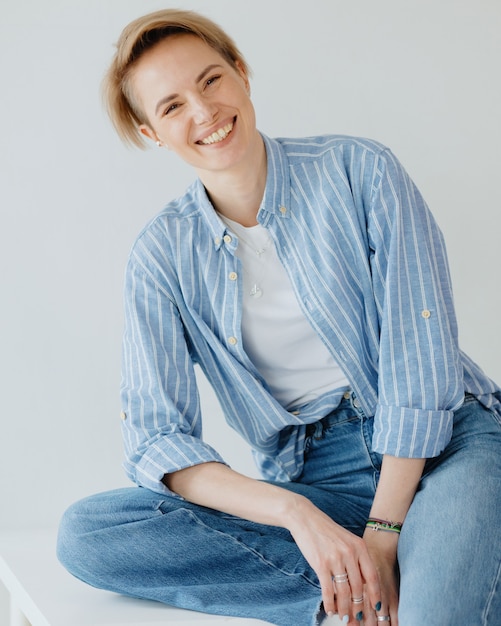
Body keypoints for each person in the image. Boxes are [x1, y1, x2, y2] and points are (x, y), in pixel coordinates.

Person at [57, 8, 501, 626]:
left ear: (241, 72)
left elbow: (419, 361)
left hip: (447, 446)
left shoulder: (360, 170)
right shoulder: (161, 254)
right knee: (90, 533)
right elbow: (159, 441)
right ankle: (362, 589)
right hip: (320, 478)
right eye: (172, 106)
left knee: (434, 616)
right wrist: (299, 516)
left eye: (211, 80)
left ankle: (416, 573)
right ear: (151, 132)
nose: (204, 112)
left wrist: (382, 532)